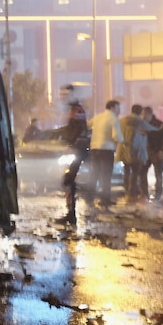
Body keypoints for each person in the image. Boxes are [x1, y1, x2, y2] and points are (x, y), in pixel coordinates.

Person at [52, 84, 88, 226]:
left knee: (68, 181)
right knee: (68, 181)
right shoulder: (73, 109)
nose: (63, 97)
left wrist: (69, 144)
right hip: (76, 150)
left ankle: (71, 215)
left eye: (65, 94)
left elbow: (77, 130)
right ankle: (70, 214)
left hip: (77, 151)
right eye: (61, 94)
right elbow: (70, 129)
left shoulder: (77, 110)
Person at [117, 104, 158, 203]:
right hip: (136, 150)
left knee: (126, 171)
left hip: (123, 149)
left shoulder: (122, 121)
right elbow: (155, 131)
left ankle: (127, 192)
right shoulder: (140, 122)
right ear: (140, 112)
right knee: (135, 173)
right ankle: (131, 194)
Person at [87, 100, 123, 207]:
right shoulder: (113, 118)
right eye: (118, 107)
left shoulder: (97, 117)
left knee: (94, 173)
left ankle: (89, 197)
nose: (119, 110)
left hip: (94, 148)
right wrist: (123, 142)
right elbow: (117, 136)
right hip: (107, 150)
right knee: (106, 175)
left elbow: (88, 125)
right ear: (112, 107)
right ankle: (105, 200)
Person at [143, 108, 163, 201]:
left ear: (149, 114)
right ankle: (145, 194)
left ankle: (158, 195)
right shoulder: (144, 124)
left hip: (156, 151)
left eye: (145, 115)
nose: (143, 117)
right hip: (146, 151)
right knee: (142, 172)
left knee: (158, 174)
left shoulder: (159, 124)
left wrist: (162, 150)